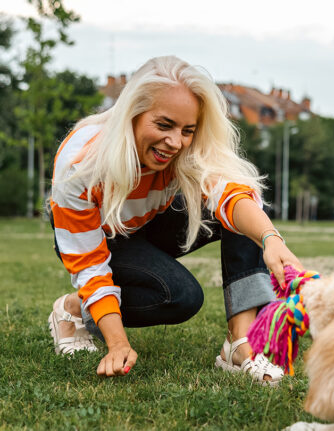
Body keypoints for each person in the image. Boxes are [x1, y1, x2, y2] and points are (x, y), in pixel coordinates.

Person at [47, 55, 303, 384]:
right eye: (164, 125)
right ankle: (74, 308)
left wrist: (270, 239)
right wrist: (117, 343)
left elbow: (230, 192)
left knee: (247, 204)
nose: (175, 142)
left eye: (187, 130)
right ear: (133, 114)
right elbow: (90, 264)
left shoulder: (185, 149)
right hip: (101, 237)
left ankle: (239, 344)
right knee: (180, 297)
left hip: (149, 221)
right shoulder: (80, 164)